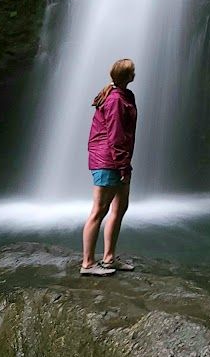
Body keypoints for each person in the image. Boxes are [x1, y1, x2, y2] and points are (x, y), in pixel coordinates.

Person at [81, 58, 137, 276]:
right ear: (126, 76)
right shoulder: (114, 100)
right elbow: (114, 136)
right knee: (99, 210)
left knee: (120, 208)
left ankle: (109, 258)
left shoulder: (126, 96)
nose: (135, 74)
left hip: (120, 160)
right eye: (133, 71)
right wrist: (123, 166)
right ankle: (87, 263)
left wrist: (125, 164)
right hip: (107, 160)